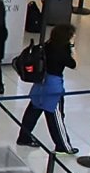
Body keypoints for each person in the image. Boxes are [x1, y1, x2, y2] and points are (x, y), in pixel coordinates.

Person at [17, 25, 78, 155]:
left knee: (33, 111)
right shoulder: (62, 51)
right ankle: (63, 146)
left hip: (40, 82)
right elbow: (74, 64)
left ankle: (24, 137)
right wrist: (72, 46)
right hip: (53, 85)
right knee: (56, 116)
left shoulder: (46, 46)